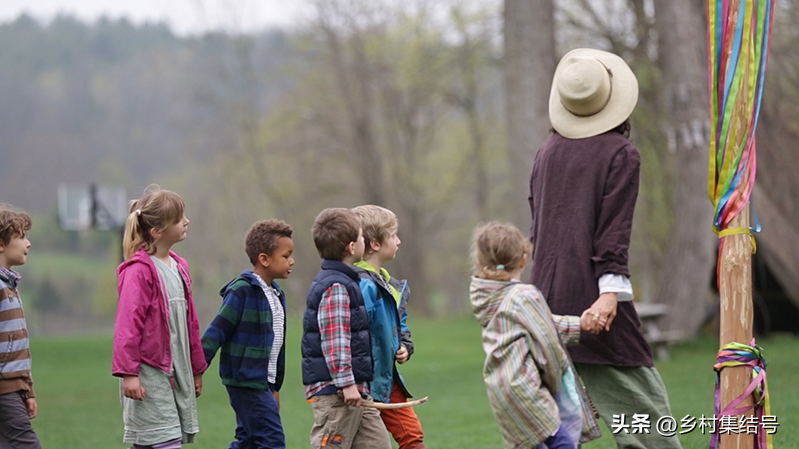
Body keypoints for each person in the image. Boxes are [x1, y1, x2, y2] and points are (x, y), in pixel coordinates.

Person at [528, 48, 682, 448]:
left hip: (545, 302)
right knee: (650, 429)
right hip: (594, 306)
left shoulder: (546, 152)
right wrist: (609, 295)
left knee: (563, 432)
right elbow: (613, 234)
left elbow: (538, 232)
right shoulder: (620, 153)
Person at [469, 222, 602, 449]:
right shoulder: (523, 295)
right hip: (528, 390)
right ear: (522, 259)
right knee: (564, 444)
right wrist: (556, 380)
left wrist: (579, 324)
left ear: (480, 262)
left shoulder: (486, 296)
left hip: (502, 390)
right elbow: (547, 338)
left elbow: (541, 324)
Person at [112, 188, 207, 449]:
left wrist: (196, 368)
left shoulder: (179, 267)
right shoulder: (139, 272)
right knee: (165, 439)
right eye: (179, 218)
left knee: (151, 441)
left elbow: (191, 324)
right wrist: (129, 374)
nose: (186, 221)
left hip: (178, 372)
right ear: (157, 231)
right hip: (150, 372)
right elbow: (126, 327)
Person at [301, 208, 392, 449]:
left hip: (357, 391)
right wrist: (346, 383)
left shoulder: (346, 281)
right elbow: (335, 339)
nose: (364, 241)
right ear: (352, 247)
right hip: (338, 393)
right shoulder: (336, 287)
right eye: (362, 237)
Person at [202, 219, 295, 449]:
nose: (292, 261)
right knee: (272, 441)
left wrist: (274, 387)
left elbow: (275, 348)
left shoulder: (276, 294)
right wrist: (196, 369)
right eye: (286, 256)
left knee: (249, 441)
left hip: (263, 383)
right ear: (264, 259)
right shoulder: (242, 291)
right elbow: (216, 331)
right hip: (245, 380)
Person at [351, 205, 425, 449]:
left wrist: (404, 345)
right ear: (374, 244)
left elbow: (400, 324)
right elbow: (353, 332)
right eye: (393, 236)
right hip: (363, 383)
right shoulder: (361, 285)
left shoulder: (391, 285)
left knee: (412, 435)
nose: (399, 241)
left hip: (388, 379)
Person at [0, 204, 41, 449]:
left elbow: (17, 347)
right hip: (3, 389)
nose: (29, 243)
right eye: (22, 236)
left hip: (14, 388)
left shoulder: (10, 286)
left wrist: (28, 390)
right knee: (25, 444)